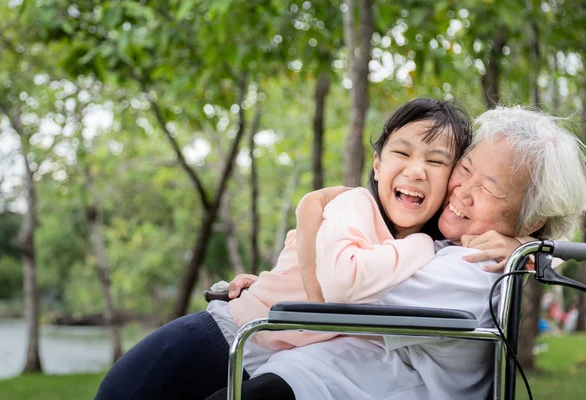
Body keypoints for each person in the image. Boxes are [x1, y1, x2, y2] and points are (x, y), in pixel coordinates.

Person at [95, 98, 476, 400]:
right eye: (402, 153)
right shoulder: (354, 204)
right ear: (377, 164)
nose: (416, 170)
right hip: (216, 340)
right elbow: (342, 282)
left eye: (436, 161)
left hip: (258, 357)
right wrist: (421, 245)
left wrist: (517, 242)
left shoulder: (436, 254)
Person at [206, 105, 586, 400]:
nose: (462, 191)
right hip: (315, 374)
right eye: (464, 169)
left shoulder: (476, 266)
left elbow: (346, 283)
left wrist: (283, 278)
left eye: (488, 189)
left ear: (532, 219)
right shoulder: (456, 242)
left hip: (337, 385)